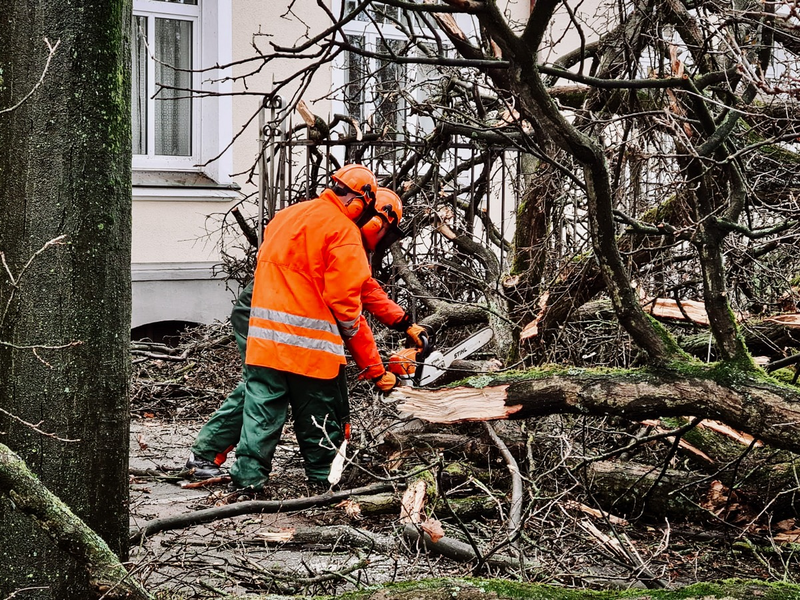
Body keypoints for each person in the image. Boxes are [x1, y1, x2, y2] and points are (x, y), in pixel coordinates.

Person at [186, 177, 426, 487]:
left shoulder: (303, 215)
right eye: (386, 231)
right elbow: (348, 312)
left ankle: (222, 463)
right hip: (278, 311)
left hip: (265, 307)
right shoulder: (343, 232)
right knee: (274, 388)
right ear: (374, 218)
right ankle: (211, 456)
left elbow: (363, 286)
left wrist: (403, 322)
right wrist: (376, 371)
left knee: (265, 386)